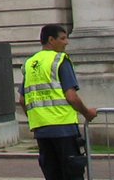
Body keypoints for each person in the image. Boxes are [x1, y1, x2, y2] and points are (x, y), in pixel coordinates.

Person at [21, 24, 98, 180]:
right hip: (64, 127)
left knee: (52, 174)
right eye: (62, 38)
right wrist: (87, 113)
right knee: (72, 173)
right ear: (51, 40)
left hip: (41, 129)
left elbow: (22, 100)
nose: (66, 42)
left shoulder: (30, 63)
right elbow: (71, 97)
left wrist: (35, 118)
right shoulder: (60, 60)